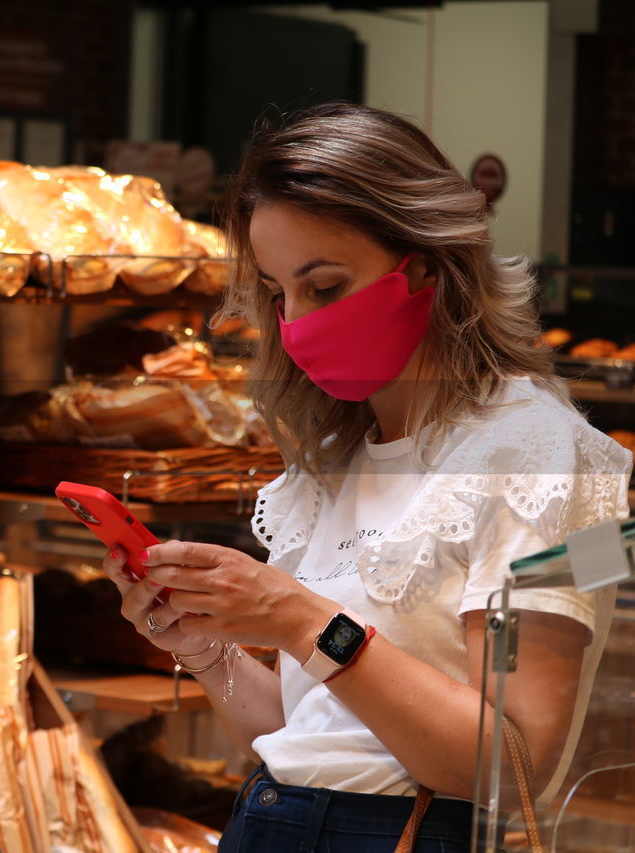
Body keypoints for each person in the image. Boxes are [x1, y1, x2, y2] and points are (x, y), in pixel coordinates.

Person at [101, 103, 633, 851]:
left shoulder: (538, 454)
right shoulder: (334, 458)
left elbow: (510, 767)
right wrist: (205, 645)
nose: (296, 322)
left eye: (323, 285)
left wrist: (299, 617)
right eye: (278, 292)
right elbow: (303, 739)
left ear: (424, 263)